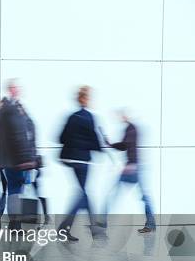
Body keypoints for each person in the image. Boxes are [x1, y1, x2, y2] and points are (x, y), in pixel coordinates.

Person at [99, 110, 156, 233]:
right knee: (143, 197)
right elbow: (124, 146)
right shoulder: (131, 128)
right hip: (134, 167)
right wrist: (111, 145)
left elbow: (125, 145)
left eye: (121, 115)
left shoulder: (131, 128)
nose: (120, 117)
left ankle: (103, 222)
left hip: (133, 168)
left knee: (115, 194)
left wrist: (110, 144)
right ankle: (151, 224)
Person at [57, 86, 102, 241]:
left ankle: (93, 227)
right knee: (83, 194)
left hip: (70, 159)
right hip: (82, 160)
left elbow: (61, 138)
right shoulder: (89, 117)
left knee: (83, 193)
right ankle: (65, 227)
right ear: (86, 99)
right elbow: (95, 142)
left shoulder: (72, 117)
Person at [0, 80, 37, 230]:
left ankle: (13, 222)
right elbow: (19, 135)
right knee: (15, 189)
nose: (17, 90)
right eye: (14, 88)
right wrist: (27, 157)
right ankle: (15, 224)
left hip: (11, 158)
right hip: (17, 159)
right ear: (10, 90)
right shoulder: (11, 109)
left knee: (14, 189)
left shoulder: (7, 108)